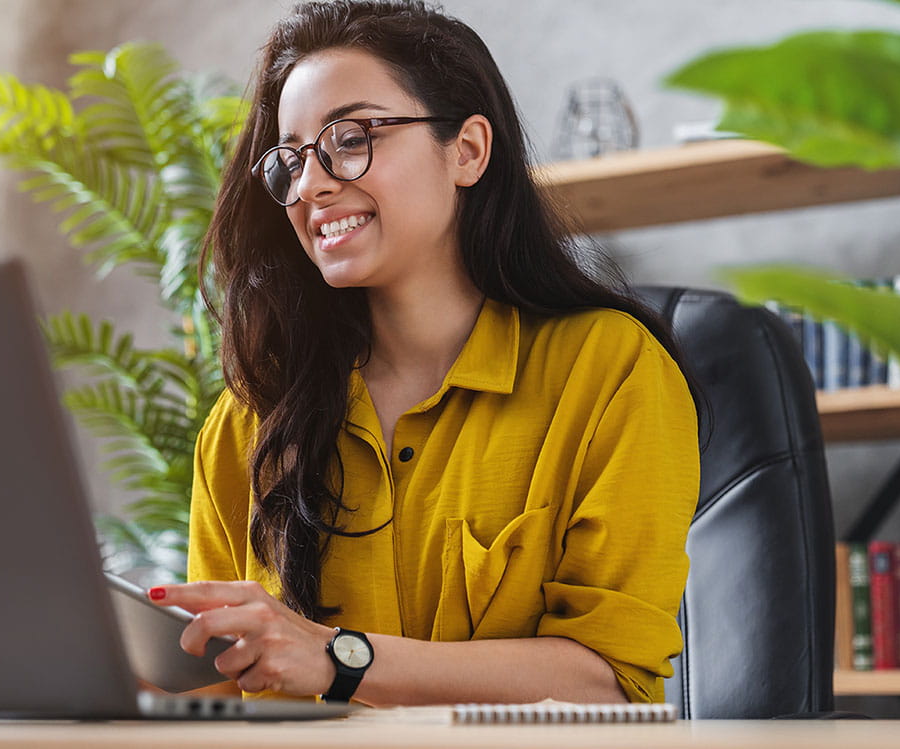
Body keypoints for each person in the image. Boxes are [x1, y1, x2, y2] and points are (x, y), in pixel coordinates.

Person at [147, 0, 700, 707]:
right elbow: (218, 691)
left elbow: (608, 680)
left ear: (466, 150)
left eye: (350, 137)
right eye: (290, 159)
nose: (311, 184)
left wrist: (338, 657)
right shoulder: (246, 423)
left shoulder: (612, 372)